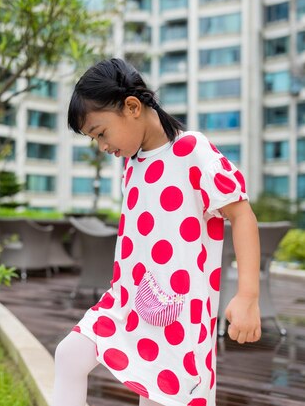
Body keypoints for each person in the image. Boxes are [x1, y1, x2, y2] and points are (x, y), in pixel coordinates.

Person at [54, 58, 261, 406]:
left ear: (132, 107)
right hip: (127, 303)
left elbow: (242, 215)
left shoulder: (192, 152)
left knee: (159, 399)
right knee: (70, 355)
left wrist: (248, 295)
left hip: (179, 321)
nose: (102, 147)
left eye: (101, 133)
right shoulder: (132, 164)